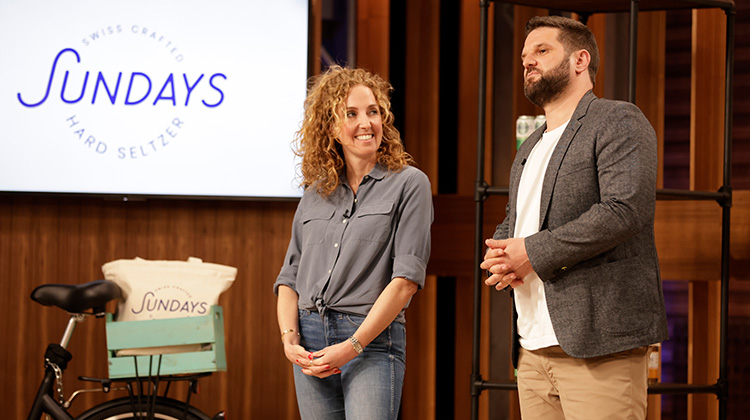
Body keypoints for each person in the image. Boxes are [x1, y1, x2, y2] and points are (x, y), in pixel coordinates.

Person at [480, 16, 668, 420]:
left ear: (581, 59)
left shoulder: (618, 120)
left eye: (542, 51)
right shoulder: (531, 143)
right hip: (531, 348)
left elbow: (624, 210)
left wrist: (530, 251)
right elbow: (519, 219)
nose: (528, 62)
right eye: (525, 56)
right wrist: (500, 251)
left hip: (599, 343)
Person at [274, 65, 433, 420]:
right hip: (310, 341)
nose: (367, 123)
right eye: (352, 114)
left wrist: (353, 345)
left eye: (373, 112)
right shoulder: (314, 194)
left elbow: (405, 282)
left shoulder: (410, 184)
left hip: (371, 343)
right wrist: (289, 340)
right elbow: (289, 279)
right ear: (331, 128)